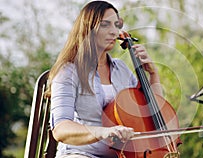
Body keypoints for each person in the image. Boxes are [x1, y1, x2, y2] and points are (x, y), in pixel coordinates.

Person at [48, 1, 163, 157]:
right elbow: (61, 129)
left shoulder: (121, 69)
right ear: (88, 29)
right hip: (81, 154)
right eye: (105, 25)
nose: (114, 32)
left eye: (116, 25)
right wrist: (104, 132)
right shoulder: (68, 72)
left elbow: (152, 112)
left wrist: (153, 74)